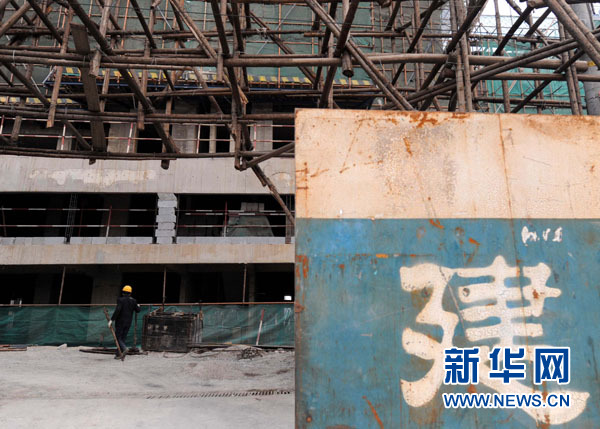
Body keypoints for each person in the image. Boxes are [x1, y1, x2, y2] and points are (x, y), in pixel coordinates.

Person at [109, 285, 140, 359]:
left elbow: (118, 310)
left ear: (123, 292)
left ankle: (124, 348)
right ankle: (118, 354)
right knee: (123, 337)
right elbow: (138, 310)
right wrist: (138, 306)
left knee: (117, 337)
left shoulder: (120, 300)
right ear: (130, 293)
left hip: (120, 322)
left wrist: (112, 320)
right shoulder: (133, 301)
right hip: (128, 322)